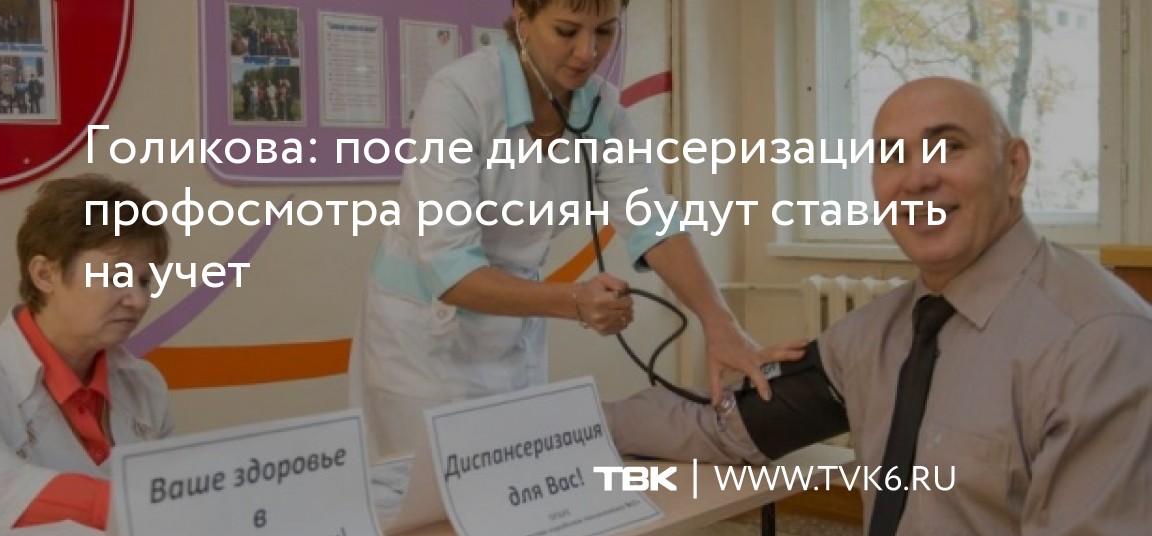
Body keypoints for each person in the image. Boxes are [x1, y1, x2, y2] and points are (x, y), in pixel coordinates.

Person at [604, 77, 1152, 534]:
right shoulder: (870, 336)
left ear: (1014, 167)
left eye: (949, 146)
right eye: (892, 156)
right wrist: (578, 426)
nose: (918, 178)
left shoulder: (1103, 345)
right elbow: (725, 427)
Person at [348, 0, 799, 459]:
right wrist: (575, 301)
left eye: (604, 31)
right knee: (421, 490)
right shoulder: (459, 95)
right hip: (423, 337)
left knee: (513, 474)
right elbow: (450, 268)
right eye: (567, 31)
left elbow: (654, 222)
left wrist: (721, 324)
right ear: (522, 18)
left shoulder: (601, 108)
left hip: (514, 327)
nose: (587, 52)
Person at [0, 175, 174, 534]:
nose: (138, 300)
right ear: (44, 275)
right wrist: (151, 504)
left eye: (144, 281)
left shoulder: (145, 384)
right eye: (117, 277)